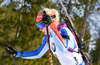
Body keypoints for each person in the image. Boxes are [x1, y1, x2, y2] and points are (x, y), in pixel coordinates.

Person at [6, 8, 85, 65]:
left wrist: (51, 27)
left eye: (40, 25)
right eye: (38, 26)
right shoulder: (49, 37)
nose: (40, 29)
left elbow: (62, 48)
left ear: (50, 22)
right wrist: (16, 53)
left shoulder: (64, 32)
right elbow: (38, 53)